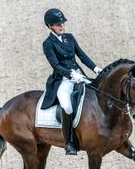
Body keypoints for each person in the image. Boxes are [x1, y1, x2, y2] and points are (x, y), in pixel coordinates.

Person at [41, 8, 102, 155]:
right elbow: (55, 65)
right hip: (63, 80)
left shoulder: (70, 37)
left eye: (62, 23)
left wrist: (96, 69)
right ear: (50, 26)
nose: (61, 26)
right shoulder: (48, 44)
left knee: (98, 93)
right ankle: (69, 142)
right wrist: (70, 74)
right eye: (57, 24)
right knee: (67, 107)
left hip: (80, 75)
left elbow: (82, 56)